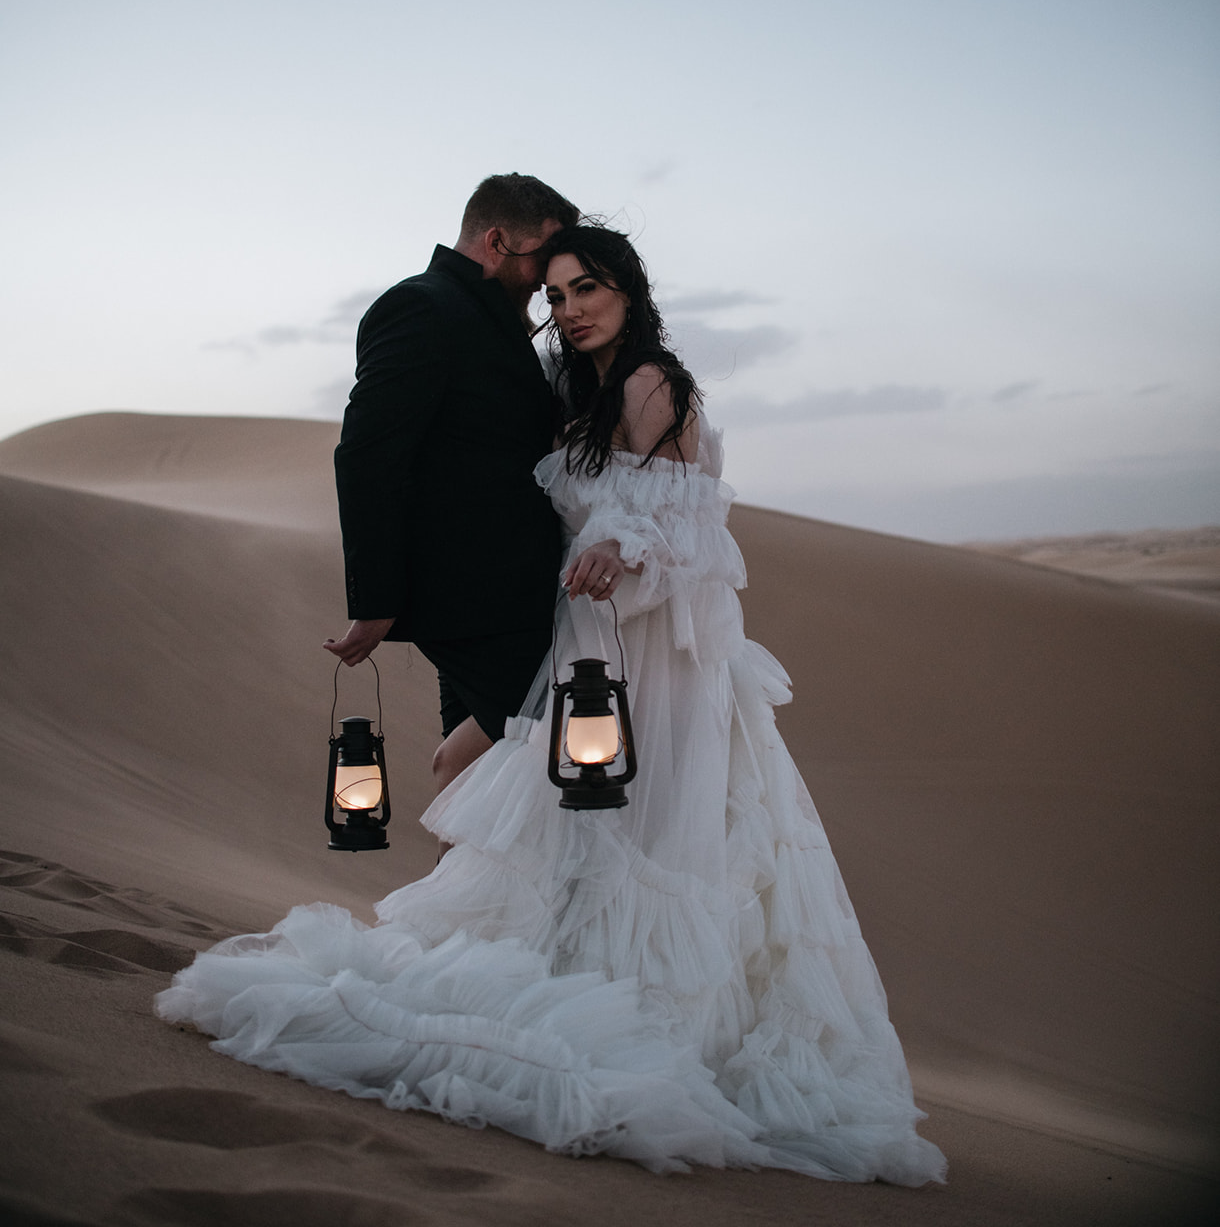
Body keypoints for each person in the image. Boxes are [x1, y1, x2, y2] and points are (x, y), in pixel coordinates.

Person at [158, 224, 947, 1186]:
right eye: (558, 293)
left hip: (647, 657)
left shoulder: (654, 382)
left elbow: (684, 529)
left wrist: (623, 553)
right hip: (585, 642)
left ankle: (632, 1022)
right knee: (538, 817)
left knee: (614, 831)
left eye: (589, 290)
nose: (570, 309)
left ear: (628, 290)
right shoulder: (580, 385)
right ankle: (573, 984)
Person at [324, 173, 578, 797]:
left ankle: (464, 897)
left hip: (508, 602)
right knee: (497, 778)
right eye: (544, 257)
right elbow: (367, 455)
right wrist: (376, 599)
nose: (550, 281)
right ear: (496, 241)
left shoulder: (494, 320)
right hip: (476, 604)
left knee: (488, 793)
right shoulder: (422, 306)